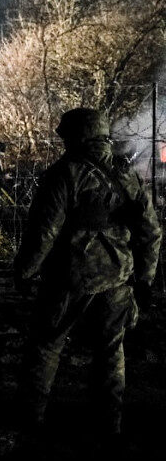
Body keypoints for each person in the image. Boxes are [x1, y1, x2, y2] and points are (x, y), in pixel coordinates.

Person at [15, 108, 161, 438]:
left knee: (46, 347)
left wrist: (25, 271)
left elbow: (43, 233)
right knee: (110, 354)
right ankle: (109, 427)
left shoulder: (64, 174)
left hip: (68, 280)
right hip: (117, 279)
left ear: (77, 137)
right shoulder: (127, 174)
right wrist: (145, 280)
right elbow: (151, 230)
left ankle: (30, 422)